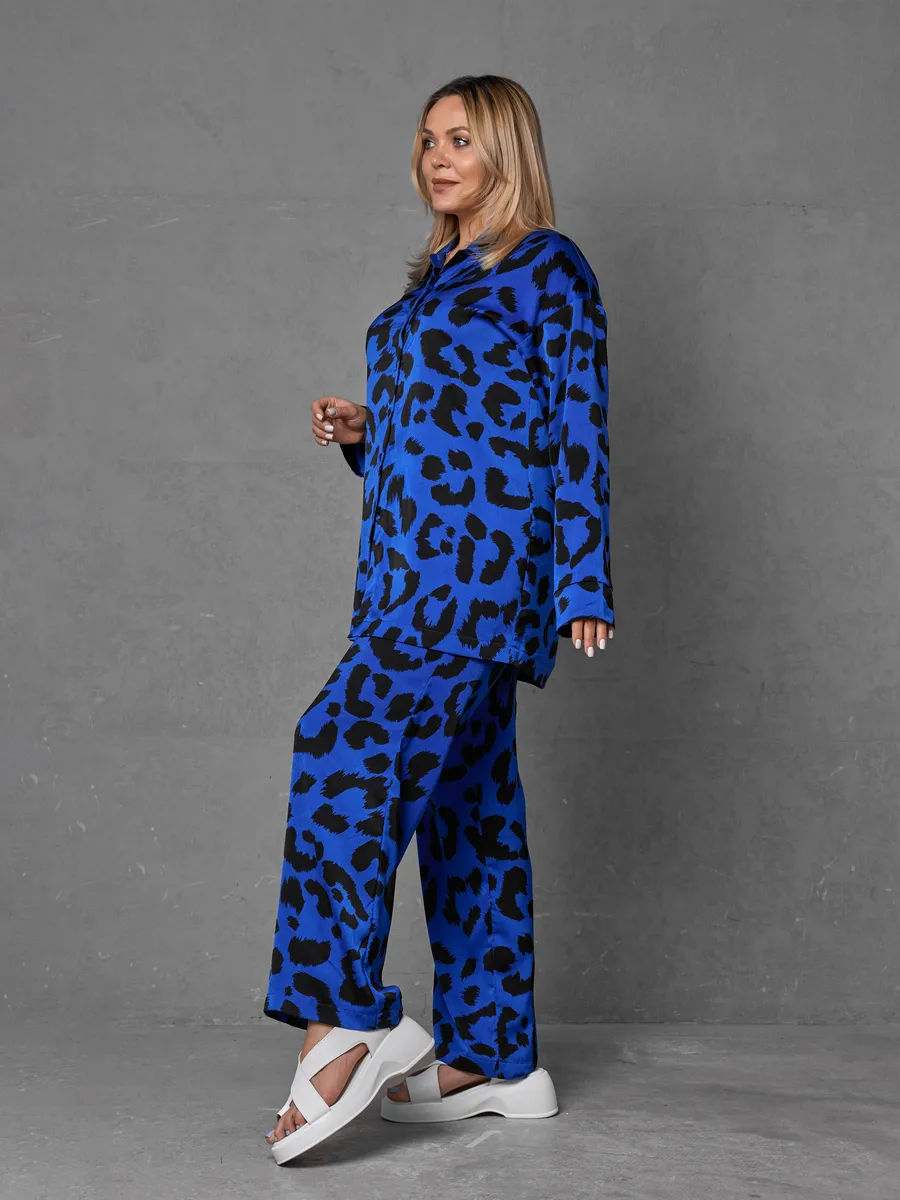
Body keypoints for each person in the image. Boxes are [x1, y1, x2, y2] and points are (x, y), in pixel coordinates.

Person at [263, 73, 615, 1164]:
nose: (437, 158)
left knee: (339, 746)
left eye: (460, 139)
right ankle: (494, 1058)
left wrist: (583, 581)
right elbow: (459, 432)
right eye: (427, 141)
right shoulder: (438, 280)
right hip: (406, 574)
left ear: (506, 150)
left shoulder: (546, 267)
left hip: (471, 582)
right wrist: (368, 431)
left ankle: (342, 1020)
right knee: (470, 812)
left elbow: (575, 422)